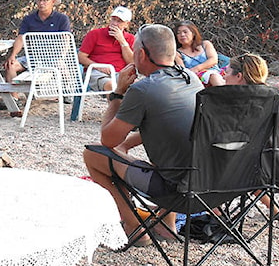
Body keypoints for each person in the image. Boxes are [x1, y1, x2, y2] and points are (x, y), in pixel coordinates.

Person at [82, 24, 204, 241]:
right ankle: (167, 225)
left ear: (139, 54)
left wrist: (118, 93)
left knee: (94, 154)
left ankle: (134, 228)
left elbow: (108, 140)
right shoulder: (191, 79)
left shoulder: (143, 89)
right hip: (207, 184)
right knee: (174, 153)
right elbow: (175, 125)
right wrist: (129, 143)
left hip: (174, 188)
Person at [3, 0, 72, 83]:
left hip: (54, 57)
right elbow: (20, 38)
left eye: (45, 0)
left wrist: (61, 57)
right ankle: (14, 97)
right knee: (10, 65)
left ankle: (67, 95)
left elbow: (66, 40)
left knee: (65, 72)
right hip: (33, 57)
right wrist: (13, 55)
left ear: (53, 1)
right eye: (39, 0)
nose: (41, 3)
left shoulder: (62, 19)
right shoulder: (28, 19)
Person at [78, 6, 135, 91]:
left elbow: (132, 62)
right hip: (97, 72)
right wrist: (99, 67)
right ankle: (114, 104)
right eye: (113, 19)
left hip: (120, 73)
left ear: (127, 24)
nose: (115, 23)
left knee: (138, 87)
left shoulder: (130, 38)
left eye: (119, 21)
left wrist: (122, 42)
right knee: (110, 85)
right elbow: (80, 57)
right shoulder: (95, 34)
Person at [176, 21, 222, 86]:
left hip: (217, 72)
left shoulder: (205, 44)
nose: (182, 35)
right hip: (197, 79)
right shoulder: (177, 53)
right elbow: (184, 72)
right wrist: (203, 69)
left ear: (193, 33)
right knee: (213, 76)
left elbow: (213, 60)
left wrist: (196, 69)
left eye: (185, 32)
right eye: (178, 33)